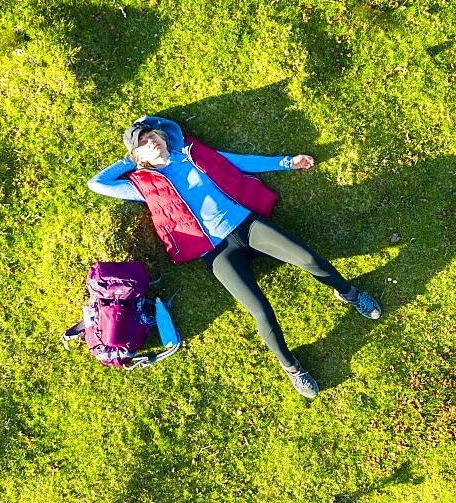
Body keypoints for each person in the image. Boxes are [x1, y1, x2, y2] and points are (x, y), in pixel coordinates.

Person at [87, 116, 381, 397]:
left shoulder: (191, 153)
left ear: (162, 137)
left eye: (152, 137)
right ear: (138, 155)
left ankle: (350, 293)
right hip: (216, 252)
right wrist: (132, 159)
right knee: (260, 310)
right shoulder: (142, 185)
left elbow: (238, 161)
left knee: (308, 259)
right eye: (144, 143)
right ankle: (291, 368)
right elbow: (96, 184)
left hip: (247, 225)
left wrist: (287, 162)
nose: (151, 143)